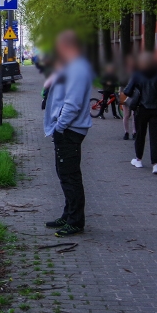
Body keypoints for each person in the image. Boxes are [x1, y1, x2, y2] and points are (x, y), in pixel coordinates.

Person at [43, 30, 93, 237]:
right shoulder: (71, 66)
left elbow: (72, 103)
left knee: (70, 176)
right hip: (66, 128)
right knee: (65, 175)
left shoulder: (78, 68)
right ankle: (68, 214)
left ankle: (75, 221)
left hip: (69, 130)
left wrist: (60, 126)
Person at [123, 53, 157, 174]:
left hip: (141, 109)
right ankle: (155, 165)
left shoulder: (137, 75)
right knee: (155, 138)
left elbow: (127, 91)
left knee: (140, 135)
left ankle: (139, 160)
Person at [120, 54, 136, 140]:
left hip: (133, 95)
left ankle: (134, 132)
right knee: (126, 115)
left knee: (134, 115)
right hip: (125, 94)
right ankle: (126, 132)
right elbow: (121, 84)